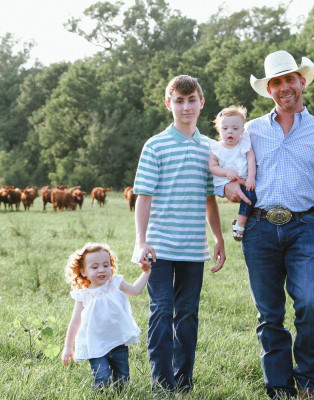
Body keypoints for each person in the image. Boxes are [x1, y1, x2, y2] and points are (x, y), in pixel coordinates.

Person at [224, 50, 314, 399]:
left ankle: (308, 380)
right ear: (269, 90)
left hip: (301, 228)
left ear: (302, 81)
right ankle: (279, 387)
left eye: (290, 79)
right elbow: (223, 164)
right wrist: (228, 185)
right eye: (276, 82)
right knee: (270, 313)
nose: (284, 87)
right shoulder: (249, 131)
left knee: (310, 302)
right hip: (259, 227)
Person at [132, 74, 226, 395]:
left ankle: (183, 382)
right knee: (161, 309)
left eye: (191, 100)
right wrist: (140, 241)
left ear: (201, 103)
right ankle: (161, 384)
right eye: (179, 100)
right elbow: (143, 196)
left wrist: (219, 237)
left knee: (187, 312)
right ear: (168, 104)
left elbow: (210, 198)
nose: (185, 107)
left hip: (193, 248)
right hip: (158, 247)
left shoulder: (211, 148)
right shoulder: (155, 145)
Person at [61, 242, 151, 390]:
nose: (101, 270)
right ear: (83, 271)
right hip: (96, 343)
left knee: (122, 378)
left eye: (106, 265)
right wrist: (68, 347)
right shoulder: (84, 294)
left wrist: (146, 272)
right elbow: (75, 322)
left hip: (118, 341)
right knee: (101, 378)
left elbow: (135, 291)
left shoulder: (115, 283)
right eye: (95, 267)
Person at [208, 105, 257, 241]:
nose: (230, 132)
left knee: (251, 193)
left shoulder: (244, 143)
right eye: (225, 128)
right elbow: (213, 166)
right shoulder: (216, 148)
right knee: (249, 195)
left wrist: (251, 177)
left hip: (244, 179)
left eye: (235, 128)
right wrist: (226, 172)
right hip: (224, 181)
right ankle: (241, 224)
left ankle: (240, 222)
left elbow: (251, 158)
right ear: (219, 130)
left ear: (242, 130)